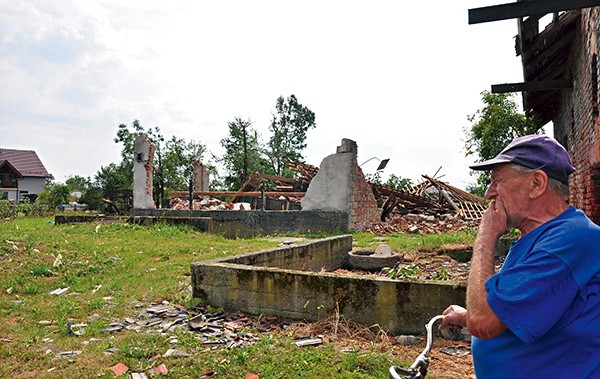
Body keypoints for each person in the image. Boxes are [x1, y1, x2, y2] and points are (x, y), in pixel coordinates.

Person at [439, 134, 600, 378]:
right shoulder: (543, 238)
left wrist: (486, 235)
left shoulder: (570, 241)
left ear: (537, 184)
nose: (489, 193)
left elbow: (483, 321)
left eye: (497, 182)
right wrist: (465, 316)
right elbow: (526, 307)